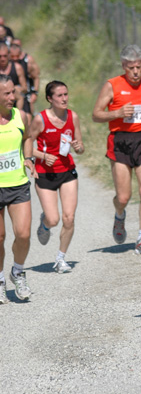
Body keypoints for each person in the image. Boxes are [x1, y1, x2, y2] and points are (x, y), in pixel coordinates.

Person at [92, 44, 141, 255]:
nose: (136, 72)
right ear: (123, 66)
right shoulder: (112, 85)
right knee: (123, 197)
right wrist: (117, 113)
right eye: (131, 68)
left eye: (139, 67)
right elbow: (96, 114)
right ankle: (119, 215)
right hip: (120, 140)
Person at [29, 81, 85, 274]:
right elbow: (27, 145)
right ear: (49, 99)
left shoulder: (73, 116)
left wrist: (79, 147)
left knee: (69, 218)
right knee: (54, 219)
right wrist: (43, 156)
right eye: (59, 96)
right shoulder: (40, 119)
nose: (64, 99)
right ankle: (44, 223)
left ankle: (61, 258)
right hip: (45, 173)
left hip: (67, 171)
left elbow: (80, 146)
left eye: (66, 94)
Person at [0, 75, 36, 304]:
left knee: (23, 234)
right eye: (7, 94)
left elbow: (29, 137)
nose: (13, 97)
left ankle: (18, 272)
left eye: (13, 92)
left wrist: (29, 158)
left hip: (18, 183)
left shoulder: (21, 116)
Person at [9, 41, 40, 117]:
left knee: (28, 116)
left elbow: (36, 77)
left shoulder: (27, 61)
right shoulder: (6, 64)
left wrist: (35, 92)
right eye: (12, 57)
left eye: (17, 56)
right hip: (10, 93)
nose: (15, 59)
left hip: (25, 92)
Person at [0, 42, 27, 111]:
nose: (2, 59)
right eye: (0, 56)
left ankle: (17, 116)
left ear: (9, 55)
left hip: (17, 98)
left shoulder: (17, 67)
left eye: (5, 56)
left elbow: (25, 88)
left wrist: (15, 89)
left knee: (27, 116)